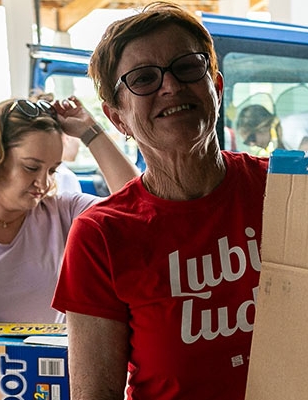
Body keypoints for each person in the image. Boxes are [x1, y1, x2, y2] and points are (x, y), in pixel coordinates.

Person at [51, 2, 269, 399]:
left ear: (216, 87)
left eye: (187, 67)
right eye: (144, 78)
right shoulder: (101, 236)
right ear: (118, 119)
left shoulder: (283, 190)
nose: (171, 86)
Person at [0, 96, 139, 323]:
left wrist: (89, 131)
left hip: (51, 358)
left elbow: (136, 204)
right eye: (31, 167)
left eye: (52, 170)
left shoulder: (62, 213)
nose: (43, 184)